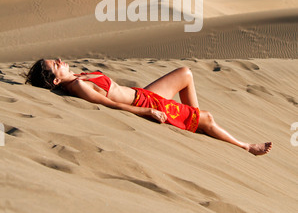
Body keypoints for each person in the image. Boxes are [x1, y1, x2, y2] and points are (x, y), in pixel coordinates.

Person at [25, 58, 272, 156]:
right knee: (207, 118)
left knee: (185, 74)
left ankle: (196, 122)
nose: (60, 60)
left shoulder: (76, 77)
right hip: (144, 103)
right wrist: (146, 111)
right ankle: (246, 146)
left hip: (143, 94)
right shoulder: (77, 86)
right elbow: (109, 104)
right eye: (55, 65)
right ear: (56, 80)